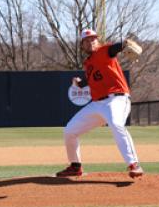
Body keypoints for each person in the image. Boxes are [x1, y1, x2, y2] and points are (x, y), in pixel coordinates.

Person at [56, 28, 144, 179]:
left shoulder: (103, 51)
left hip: (116, 99)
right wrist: (79, 83)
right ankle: (75, 166)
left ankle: (134, 164)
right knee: (69, 131)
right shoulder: (88, 63)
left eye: (93, 39)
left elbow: (114, 48)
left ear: (98, 41)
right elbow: (89, 80)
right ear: (82, 45)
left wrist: (124, 44)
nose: (91, 42)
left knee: (116, 124)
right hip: (97, 105)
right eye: (87, 40)